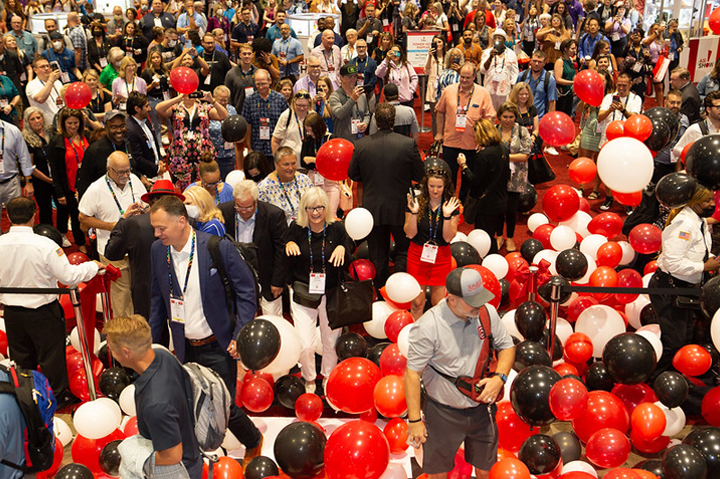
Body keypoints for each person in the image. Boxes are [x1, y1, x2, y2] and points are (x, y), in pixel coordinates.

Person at [148, 195, 264, 464]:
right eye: (154, 227)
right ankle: (198, 453)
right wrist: (155, 346)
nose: (156, 233)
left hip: (218, 343)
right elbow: (157, 300)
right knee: (190, 401)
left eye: (161, 228)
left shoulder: (216, 247)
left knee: (224, 404)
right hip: (184, 345)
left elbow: (247, 291)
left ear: (181, 222)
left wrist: (240, 335)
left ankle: (253, 440)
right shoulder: (157, 250)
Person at [405, 267, 515, 478]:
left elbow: (507, 346)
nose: (479, 305)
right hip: (442, 412)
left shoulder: (486, 312)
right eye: (472, 301)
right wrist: (415, 421)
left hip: (482, 408)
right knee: (438, 473)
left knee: (486, 469)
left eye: (480, 298)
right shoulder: (429, 326)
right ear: (452, 298)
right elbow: (412, 374)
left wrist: (500, 378)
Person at [0, 196, 103, 408]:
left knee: (21, 359)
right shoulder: (45, 244)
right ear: (33, 216)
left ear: (8, 216)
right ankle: (55, 398)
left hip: (12, 312)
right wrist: (92, 266)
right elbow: (68, 277)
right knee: (51, 357)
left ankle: (25, 400)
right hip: (43, 312)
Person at [104, 314, 201, 479]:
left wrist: (134, 456)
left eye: (111, 349)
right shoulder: (164, 356)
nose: (110, 353)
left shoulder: (156, 404)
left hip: (179, 472)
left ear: (125, 352)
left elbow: (172, 456)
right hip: (191, 454)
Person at [349, 102, 423, 288]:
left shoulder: (361, 145)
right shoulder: (408, 144)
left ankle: (381, 288)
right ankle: (398, 284)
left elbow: (353, 174)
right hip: (401, 207)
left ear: (375, 120)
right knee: (404, 249)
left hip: (372, 209)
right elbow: (419, 175)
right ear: (394, 120)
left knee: (377, 253)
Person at [648, 185, 720, 378]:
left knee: (685, 338)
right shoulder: (684, 225)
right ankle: (657, 379)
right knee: (674, 342)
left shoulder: (700, 221)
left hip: (688, 288)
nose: (712, 204)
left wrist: (712, 260)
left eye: (713, 200)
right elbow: (673, 263)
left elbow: (698, 253)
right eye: (707, 201)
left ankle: (675, 379)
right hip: (669, 288)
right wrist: (704, 267)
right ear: (694, 202)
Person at [286, 187, 351, 393]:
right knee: (305, 344)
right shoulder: (296, 228)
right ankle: (309, 378)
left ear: (326, 208)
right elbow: (285, 252)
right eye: (311, 208)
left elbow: (349, 260)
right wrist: (288, 244)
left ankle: (328, 376)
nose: (315, 213)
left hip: (331, 292)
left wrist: (342, 248)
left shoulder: (337, 229)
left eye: (320, 208)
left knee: (330, 341)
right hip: (303, 292)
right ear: (304, 209)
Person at [79, 151, 147, 317]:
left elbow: (147, 205)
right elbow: (83, 218)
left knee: (140, 292)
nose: (125, 175)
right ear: (108, 169)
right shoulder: (96, 189)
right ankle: (125, 336)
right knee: (121, 298)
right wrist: (112, 226)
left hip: (138, 248)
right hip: (113, 251)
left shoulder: (135, 181)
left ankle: (140, 329)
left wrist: (144, 211)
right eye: (121, 172)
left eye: (127, 170)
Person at [106, 180, 182, 320]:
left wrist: (123, 220)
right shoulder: (185, 222)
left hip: (146, 293)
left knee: (152, 334)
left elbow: (111, 253)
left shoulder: (132, 224)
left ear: (151, 201)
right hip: (179, 288)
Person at [219, 180, 288, 315]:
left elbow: (281, 250)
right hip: (236, 277)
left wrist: (278, 281)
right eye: (239, 207)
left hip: (266, 276)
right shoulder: (223, 212)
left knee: (272, 319)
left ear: (256, 201)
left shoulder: (273, 215)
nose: (243, 211)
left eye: (249, 207)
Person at [404, 169, 461, 319]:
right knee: (417, 302)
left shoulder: (452, 205)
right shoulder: (415, 203)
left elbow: (448, 238)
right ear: (426, 186)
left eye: (439, 187)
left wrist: (447, 217)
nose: (435, 190)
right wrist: (414, 213)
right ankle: (415, 336)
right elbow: (409, 234)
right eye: (432, 186)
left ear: (445, 187)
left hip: (441, 257)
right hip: (417, 255)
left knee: (439, 303)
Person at [435, 63, 496, 187]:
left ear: (474, 77)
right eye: (462, 77)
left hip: (473, 145)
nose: (464, 80)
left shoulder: (483, 93)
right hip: (450, 142)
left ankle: (466, 204)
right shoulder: (449, 91)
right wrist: (439, 133)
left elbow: (489, 119)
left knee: (469, 182)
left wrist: (483, 140)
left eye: (468, 77)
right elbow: (440, 112)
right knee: (447, 179)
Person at [457, 119, 510, 255]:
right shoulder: (503, 149)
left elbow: (474, 181)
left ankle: (487, 262)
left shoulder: (483, 155)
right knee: (491, 234)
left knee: (484, 237)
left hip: (486, 204)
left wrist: (463, 165)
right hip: (502, 199)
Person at [157, 89, 228, 190]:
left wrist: (211, 100)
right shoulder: (176, 108)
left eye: (192, 90)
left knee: (204, 185)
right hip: (180, 155)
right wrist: (178, 98)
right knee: (184, 188)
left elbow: (224, 115)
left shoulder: (205, 108)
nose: (190, 94)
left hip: (203, 153)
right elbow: (158, 109)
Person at [595, 72, 642, 211]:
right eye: (619, 85)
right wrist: (610, 109)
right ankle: (609, 198)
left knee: (626, 171)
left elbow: (635, 118)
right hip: (608, 140)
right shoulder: (609, 97)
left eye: (624, 85)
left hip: (627, 141)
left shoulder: (635, 99)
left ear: (630, 85)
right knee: (608, 170)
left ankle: (627, 201)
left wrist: (624, 110)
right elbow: (599, 118)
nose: (621, 88)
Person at [46, 109, 89, 251]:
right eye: (69, 123)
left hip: (89, 185)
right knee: (76, 217)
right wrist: (59, 192)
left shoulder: (87, 136)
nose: (73, 126)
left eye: (76, 123)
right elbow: (55, 170)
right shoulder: (57, 141)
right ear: (63, 124)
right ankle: (81, 244)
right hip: (70, 187)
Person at [496, 102, 531, 253]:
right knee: (497, 208)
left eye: (511, 117)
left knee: (511, 209)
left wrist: (504, 157)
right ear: (499, 117)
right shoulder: (493, 131)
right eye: (505, 116)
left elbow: (525, 155)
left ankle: (509, 237)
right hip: (497, 176)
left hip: (516, 176)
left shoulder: (522, 131)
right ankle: (498, 236)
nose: (508, 120)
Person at [22, 107, 58, 232]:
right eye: (32, 119)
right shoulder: (26, 139)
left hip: (57, 177)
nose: (37, 121)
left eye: (38, 117)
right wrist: (48, 179)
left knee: (63, 206)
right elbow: (30, 165)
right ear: (27, 122)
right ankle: (48, 232)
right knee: (45, 208)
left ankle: (62, 232)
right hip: (41, 180)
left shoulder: (52, 132)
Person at [241, 69, 288, 162]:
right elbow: (248, 125)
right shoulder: (249, 100)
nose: (261, 87)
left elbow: (286, 124)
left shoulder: (280, 99)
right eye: (258, 84)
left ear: (270, 81)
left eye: (263, 83)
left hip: (276, 149)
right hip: (257, 149)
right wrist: (249, 147)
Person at [258, 146, 313, 224]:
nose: (290, 168)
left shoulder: (305, 180)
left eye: (293, 163)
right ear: (276, 164)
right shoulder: (264, 188)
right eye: (286, 164)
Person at [580, 70, 613, 197]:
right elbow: (579, 110)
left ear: (607, 82)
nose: (599, 83)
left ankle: (596, 189)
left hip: (603, 130)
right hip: (589, 128)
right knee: (584, 159)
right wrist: (585, 99)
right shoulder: (589, 93)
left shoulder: (610, 96)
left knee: (600, 161)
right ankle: (581, 187)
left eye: (602, 81)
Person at [300, 111, 340, 213]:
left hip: (330, 180)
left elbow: (334, 162)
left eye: (312, 131)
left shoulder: (331, 139)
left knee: (331, 212)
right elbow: (303, 162)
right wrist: (322, 160)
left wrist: (313, 160)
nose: (310, 134)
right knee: (313, 211)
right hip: (313, 178)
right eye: (308, 131)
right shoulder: (308, 140)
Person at [126, 92, 165, 188]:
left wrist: (160, 159)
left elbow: (154, 143)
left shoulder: (145, 120)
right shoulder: (130, 130)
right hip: (146, 177)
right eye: (146, 106)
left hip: (156, 170)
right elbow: (137, 158)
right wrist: (156, 168)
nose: (150, 109)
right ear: (137, 109)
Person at [673, 91, 720, 163]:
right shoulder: (695, 129)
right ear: (708, 109)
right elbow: (676, 150)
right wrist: (695, 154)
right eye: (718, 107)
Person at [653, 89, 689, 184]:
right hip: (659, 163)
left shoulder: (684, 119)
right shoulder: (657, 118)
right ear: (665, 102)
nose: (675, 106)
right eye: (672, 102)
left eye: (678, 103)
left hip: (676, 164)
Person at [328, 64, 371, 142]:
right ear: (341, 78)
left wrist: (365, 123)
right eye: (349, 77)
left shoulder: (361, 95)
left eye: (355, 76)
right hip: (343, 141)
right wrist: (353, 99)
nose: (353, 80)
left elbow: (366, 114)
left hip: (360, 140)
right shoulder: (335, 96)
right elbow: (340, 114)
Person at [480, 29, 519, 110]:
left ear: (504, 40)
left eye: (499, 38)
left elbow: (514, 74)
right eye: (495, 38)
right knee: (490, 115)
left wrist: (513, 90)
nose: (497, 40)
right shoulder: (487, 53)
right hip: (489, 90)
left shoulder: (511, 54)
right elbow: (483, 70)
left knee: (503, 113)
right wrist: (490, 57)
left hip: (505, 91)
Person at [515, 50, 557, 119]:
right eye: (534, 61)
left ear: (544, 63)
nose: (536, 64)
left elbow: (552, 103)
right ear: (530, 61)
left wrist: (549, 120)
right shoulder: (522, 76)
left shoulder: (549, 79)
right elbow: (514, 96)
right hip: (521, 118)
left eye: (540, 62)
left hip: (539, 119)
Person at [272, 89, 311, 161]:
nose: (301, 108)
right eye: (298, 105)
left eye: (304, 105)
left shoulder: (313, 116)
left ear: (309, 105)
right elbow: (275, 141)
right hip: (288, 162)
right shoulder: (286, 115)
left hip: (308, 165)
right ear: (294, 103)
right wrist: (277, 161)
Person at [25, 57, 63, 124]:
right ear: (35, 70)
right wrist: (50, 80)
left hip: (62, 121)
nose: (46, 69)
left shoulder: (57, 82)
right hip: (46, 124)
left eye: (47, 66)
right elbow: (40, 99)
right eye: (42, 67)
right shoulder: (31, 85)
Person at [620, 27, 652, 103]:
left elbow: (649, 62)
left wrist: (648, 58)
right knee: (628, 96)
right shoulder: (628, 47)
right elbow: (623, 54)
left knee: (640, 96)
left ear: (641, 38)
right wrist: (629, 42)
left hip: (641, 76)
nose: (636, 37)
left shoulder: (645, 48)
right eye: (634, 35)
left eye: (638, 36)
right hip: (630, 75)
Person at [225, 43, 257, 114]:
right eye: (244, 54)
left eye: (249, 54)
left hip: (256, 112)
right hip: (238, 113)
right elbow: (228, 96)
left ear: (252, 55)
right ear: (240, 55)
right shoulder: (231, 74)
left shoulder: (258, 73)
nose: (247, 56)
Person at [349, 39, 378, 108]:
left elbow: (374, 78)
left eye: (363, 47)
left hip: (369, 92)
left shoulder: (372, 62)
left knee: (371, 111)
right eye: (359, 47)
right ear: (356, 49)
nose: (361, 49)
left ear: (366, 48)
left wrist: (366, 89)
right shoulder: (352, 62)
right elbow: (350, 77)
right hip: (355, 92)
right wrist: (357, 89)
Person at [643, 23, 666, 107]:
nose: (656, 31)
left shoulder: (661, 41)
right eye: (655, 29)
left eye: (658, 29)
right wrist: (656, 33)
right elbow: (646, 43)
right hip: (649, 64)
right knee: (647, 87)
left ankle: (660, 106)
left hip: (659, 64)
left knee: (659, 87)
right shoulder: (646, 39)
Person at [554, 38, 576, 116]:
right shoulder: (560, 61)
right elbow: (558, 79)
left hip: (569, 93)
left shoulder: (570, 60)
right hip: (561, 95)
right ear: (565, 49)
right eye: (572, 48)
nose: (574, 51)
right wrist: (573, 83)